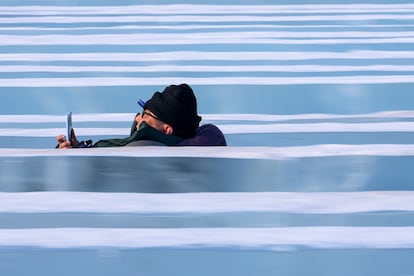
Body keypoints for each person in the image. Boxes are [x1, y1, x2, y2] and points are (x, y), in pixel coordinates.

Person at [56, 83, 227, 148]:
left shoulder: (142, 147)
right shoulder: (163, 144)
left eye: (146, 115)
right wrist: (78, 148)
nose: (138, 118)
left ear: (167, 130)